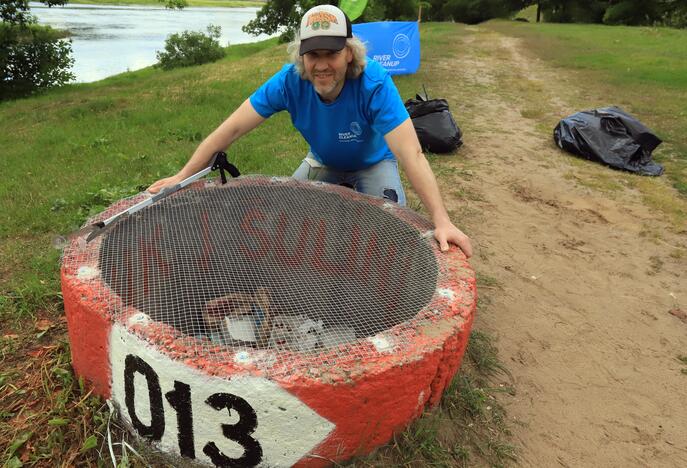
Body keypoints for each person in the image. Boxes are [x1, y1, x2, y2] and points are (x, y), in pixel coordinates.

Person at [149, 4, 472, 258]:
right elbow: (230, 129)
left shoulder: (374, 82)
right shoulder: (289, 80)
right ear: (301, 55)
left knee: (389, 230)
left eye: (330, 54)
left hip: (374, 162)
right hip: (323, 160)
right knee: (285, 217)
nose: (320, 65)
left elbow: (411, 154)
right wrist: (184, 175)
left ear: (349, 52)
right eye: (312, 54)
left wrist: (441, 220)